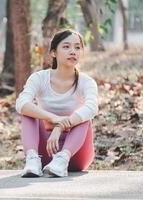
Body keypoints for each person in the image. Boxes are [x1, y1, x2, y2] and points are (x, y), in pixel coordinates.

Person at [15, 29, 98, 177]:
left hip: (75, 155)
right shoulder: (39, 78)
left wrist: (60, 126)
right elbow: (21, 103)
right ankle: (32, 160)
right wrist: (53, 117)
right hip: (45, 151)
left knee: (84, 115)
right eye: (66, 47)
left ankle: (62, 160)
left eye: (77, 47)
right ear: (53, 53)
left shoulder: (86, 82)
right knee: (28, 112)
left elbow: (92, 107)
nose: (73, 51)